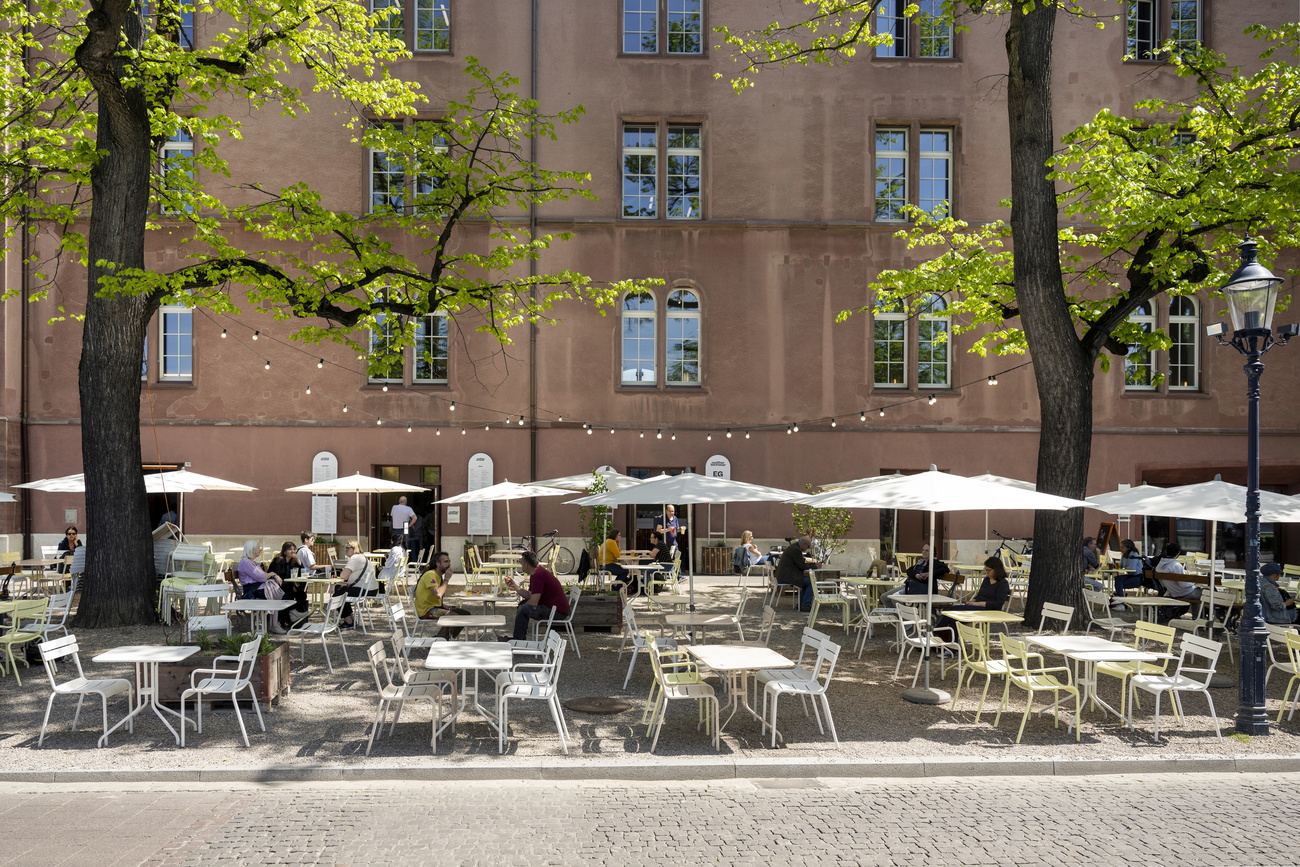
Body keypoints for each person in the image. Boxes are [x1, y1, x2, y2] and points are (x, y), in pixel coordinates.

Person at [935, 556, 1013, 642]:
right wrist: (973, 601)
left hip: (991, 610)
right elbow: (980, 595)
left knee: (953, 610)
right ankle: (950, 645)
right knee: (954, 617)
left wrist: (977, 604)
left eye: (989, 570)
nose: (986, 572)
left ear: (997, 570)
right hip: (979, 607)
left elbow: (998, 604)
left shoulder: (1003, 583)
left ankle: (935, 633)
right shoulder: (987, 580)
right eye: (985, 570)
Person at [503, 550, 569, 641]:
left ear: (527, 565)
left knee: (523, 608)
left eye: (521, 563)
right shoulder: (536, 572)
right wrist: (515, 586)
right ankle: (519, 639)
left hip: (557, 612)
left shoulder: (538, 575)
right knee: (522, 605)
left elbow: (533, 602)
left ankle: (518, 640)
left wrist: (521, 608)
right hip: (554, 609)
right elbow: (530, 596)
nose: (521, 565)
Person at [414, 551, 472, 637]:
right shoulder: (431, 575)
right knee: (454, 617)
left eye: (449, 561)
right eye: (446, 562)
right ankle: (438, 640)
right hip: (426, 610)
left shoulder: (438, 575)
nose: (449, 564)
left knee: (465, 614)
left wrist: (444, 606)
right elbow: (438, 594)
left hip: (434, 607)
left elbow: (434, 597)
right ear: (438, 563)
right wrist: (447, 579)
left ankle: (444, 638)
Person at [884, 543, 950, 606]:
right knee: (884, 597)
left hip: (922, 589)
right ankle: (900, 615)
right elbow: (909, 571)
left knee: (895, 598)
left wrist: (929, 574)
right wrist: (917, 575)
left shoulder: (935, 563)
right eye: (923, 550)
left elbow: (946, 569)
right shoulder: (921, 561)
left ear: (932, 553)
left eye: (927, 550)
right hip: (910, 585)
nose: (924, 552)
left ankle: (905, 616)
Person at [331, 539, 375, 629]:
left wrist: (340, 574)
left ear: (355, 549)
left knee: (337, 596)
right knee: (340, 590)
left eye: (348, 548)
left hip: (363, 589)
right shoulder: (361, 557)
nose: (346, 550)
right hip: (370, 589)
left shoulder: (355, 558)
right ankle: (350, 618)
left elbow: (344, 576)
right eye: (345, 548)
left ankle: (349, 622)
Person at [267, 542, 310, 631]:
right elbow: (275, 576)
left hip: (286, 585)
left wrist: (298, 561)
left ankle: (295, 616)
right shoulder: (279, 560)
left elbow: (301, 574)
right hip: (275, 586)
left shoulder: (292, 561)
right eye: (290, 549)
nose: (293, 551)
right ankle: (293, 614)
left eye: (294, 549)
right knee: (289, 592)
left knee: (301, 593)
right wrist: (291, 585)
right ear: (284, 551)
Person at [1154, 542, 1199, 622]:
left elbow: (1162, 584)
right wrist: (1194, 583)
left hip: (1173, 592)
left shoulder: (1159, 566)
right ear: (1178, 553)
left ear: (1166, 551)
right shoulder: (1176, 565)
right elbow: (1183, 585)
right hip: (1185, 593)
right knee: (1207, 592)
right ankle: (1197, 617)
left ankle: (1196, 617)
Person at [776, 535, 820, 611]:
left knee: (808, 581)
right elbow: (802, 566)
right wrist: (816, 566)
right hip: (786, 577)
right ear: (803, 544)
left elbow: (800, 564)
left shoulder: (794, 547)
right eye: (808, 546)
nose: (808, 548)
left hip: (784, 575)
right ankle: (805, 605)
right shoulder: (795, 550)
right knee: (812, 582)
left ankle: (801, 604)